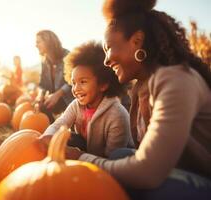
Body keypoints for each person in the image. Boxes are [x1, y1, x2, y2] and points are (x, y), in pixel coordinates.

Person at [63, 0, 211, 199]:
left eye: (109, 48)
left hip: (203, 180)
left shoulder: (176, 80)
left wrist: (83, 159)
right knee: (119, 156)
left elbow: (148, 172)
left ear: (137, 41)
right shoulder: (142, 87)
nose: (106, 60)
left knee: (134, 182)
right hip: (175, 170)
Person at [40, 41, 133, 156]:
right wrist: (48, 136)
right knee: (67, 137)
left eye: (83, 82)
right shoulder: (77, 105)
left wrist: (79, 157)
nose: (76, 88)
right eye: (73, 83)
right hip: (88, 150)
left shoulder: (117, 115)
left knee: (117, 155)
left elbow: (110, 159)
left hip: (111, 161)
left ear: (103, 84)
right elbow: (60, 123)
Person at [36, 30, 74, 122]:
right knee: (42, 107)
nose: (36, 45)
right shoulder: (45, 61)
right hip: (55, 98)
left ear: (48, 41)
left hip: (70, 98)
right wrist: (40, 95)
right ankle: (51, 128)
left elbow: (73, 81)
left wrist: (58, 94)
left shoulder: (67, 56)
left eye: (38, 42)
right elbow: (43, 84)